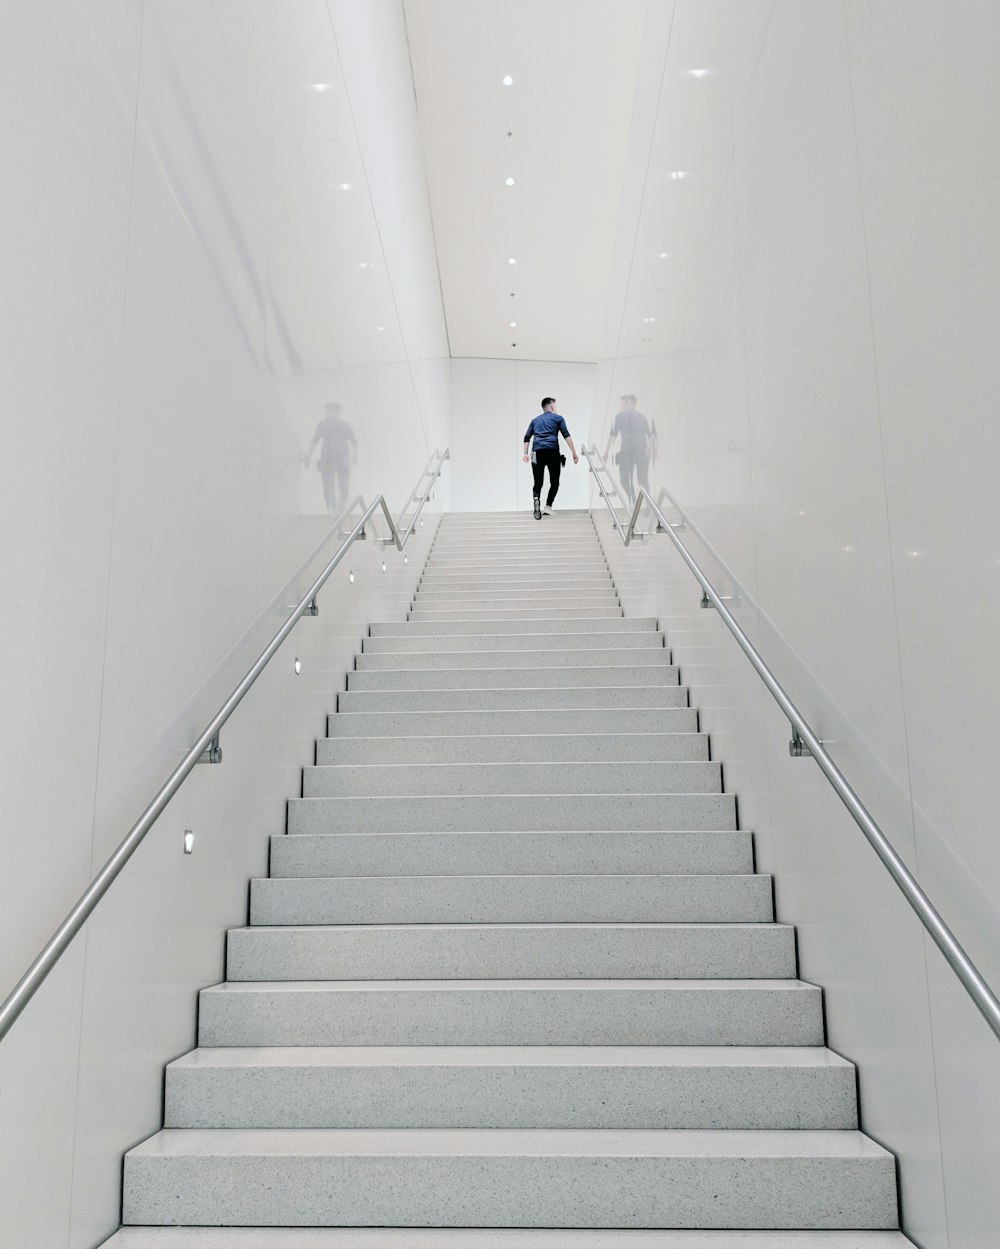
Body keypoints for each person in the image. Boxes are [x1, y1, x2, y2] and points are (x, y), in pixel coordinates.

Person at [522, 397, 579, 519]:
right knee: (555, 482)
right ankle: (548, 506)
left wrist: (525, 454)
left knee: (538, 482)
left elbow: (526, 437)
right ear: (552, 406)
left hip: (536, 453)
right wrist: (574, 452)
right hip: (552, 452)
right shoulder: (558, 418)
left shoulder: (535, 420)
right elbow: (566, 435)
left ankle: (536, 499)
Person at [604, 394, 656, 506]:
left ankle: (633, 497)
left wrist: (606, 452)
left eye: (626, 403)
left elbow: (612, 435)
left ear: (631, 404)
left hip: (627, 451)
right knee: (642, 480)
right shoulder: (642, 418)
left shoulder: (620, 416)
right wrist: (654, 451)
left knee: (625, 480)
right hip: (640, 450)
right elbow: (650, 436)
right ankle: (646, 503)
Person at [305, 402, 357, 514]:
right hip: (327, 457)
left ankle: (341, 503)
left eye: (332, 410)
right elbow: (315, 440)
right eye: (328, 410)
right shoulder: (322, 425)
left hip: (343, 457)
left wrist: (354, 457)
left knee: (343, 483)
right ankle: (332, 506)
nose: (329, 413)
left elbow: (354, 442)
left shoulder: (345, 425)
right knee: (328, 484)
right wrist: (309, 456)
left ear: (337, 412)